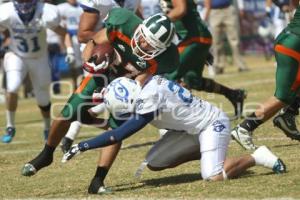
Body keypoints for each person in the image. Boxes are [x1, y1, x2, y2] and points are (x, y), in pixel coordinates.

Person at [21, 8, 180, 195]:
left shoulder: (168, 59)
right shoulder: (123, 22)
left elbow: (145, 77)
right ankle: (46, 154)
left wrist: (129, 92)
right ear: (141, 28)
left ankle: (97, 181)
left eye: (150, 45)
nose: (143, 44)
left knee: (116, 131)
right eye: (144, 37)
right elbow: (94, 40)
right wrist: (90, 64)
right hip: (103, 71)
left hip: (127, 83)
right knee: (66, 113)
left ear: (161, 49)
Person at [62, 76, 286, 186]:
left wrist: (83, 145)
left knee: (212, 175)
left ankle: (257, 157)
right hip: (189, 129)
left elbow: (117, 135)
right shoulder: (139, 86)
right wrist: (91, 112)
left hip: (211, 123)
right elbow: (112, 107)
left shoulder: (148, 103)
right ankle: (211, 152)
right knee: (154, 163)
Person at [0, 0, 74, 143]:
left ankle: (47, 128)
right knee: (13, 86)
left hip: (39, 57)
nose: (24, 4)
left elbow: (64, 33)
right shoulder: (6, 11)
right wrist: (6, 41)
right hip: (17, 55)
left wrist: (70, 51)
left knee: (43, 98)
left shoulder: (46, 11)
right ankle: (10, 126)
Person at [231, 0, 300, 150]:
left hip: (290, 39)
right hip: (293, 45)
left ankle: (288, 115)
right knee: (282, 96)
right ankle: (244, 128)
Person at [160, 0, 246, 118]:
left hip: (194, 38)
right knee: (193, 81)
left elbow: (180, 10)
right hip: (196, 37)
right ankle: (234, 94)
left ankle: (180, 116)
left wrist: (160, 21)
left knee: (169, 75)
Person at [204, 0, 249, 74]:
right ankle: (218, 66)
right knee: (216, 42)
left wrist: (241, 8)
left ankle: (241, 65)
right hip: (214, 11)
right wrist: (206, 12)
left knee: (235, 40)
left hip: (228, 9)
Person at [57, 0, 83, 90]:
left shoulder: (82, 5)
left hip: (82, 37)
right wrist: (62, 44)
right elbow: (60, 29)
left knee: (83, 63)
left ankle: (81, 85)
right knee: (73, 64)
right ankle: (75, 84)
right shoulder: (61, 8)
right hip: (70, 39)